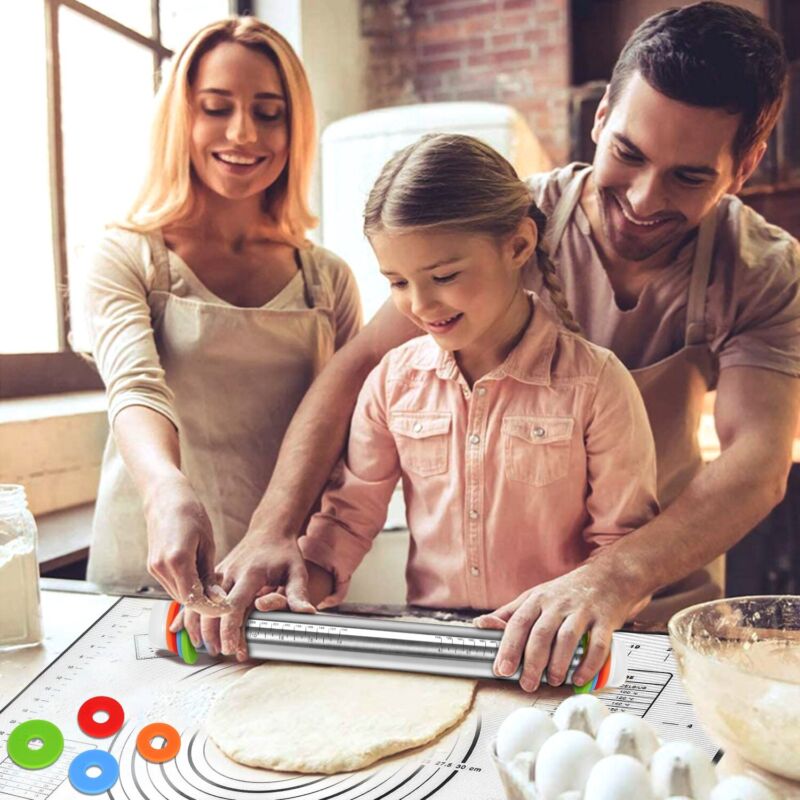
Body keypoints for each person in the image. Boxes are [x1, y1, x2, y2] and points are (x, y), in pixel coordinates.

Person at [196, 1, 800, 686]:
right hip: (474, 633)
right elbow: (358, 369)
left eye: (689, 176)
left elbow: (757, 462)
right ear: (601, 118)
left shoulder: (761, 269)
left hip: (656, 605)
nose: (642, 199)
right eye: (628, 153)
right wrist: (274, 528)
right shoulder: (503, 225)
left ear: (744, 166)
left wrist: (610, 579)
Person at [251, 133, 660, 692]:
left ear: (518, 245)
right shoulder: (392, 381)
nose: (420, 306)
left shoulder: (597, 385)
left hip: (554, 656)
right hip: (434, 655)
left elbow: (622, 547)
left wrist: (581, 610)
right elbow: (345, 523)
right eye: (398, 283)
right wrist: (298, 590)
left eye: (443, 277)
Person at [82, 17, 361, 632]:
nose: (243, 133)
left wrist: (319, 557)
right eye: (216, 108)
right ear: (182, 116)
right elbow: (134, 388)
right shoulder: (127, 255)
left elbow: (350, 434)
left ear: (294, 128)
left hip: (283, 583)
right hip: (149, 573)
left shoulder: (328, 278)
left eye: (268, 113)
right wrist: (165, 489)